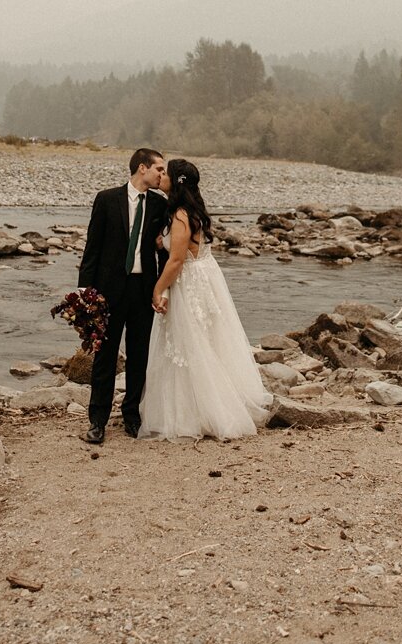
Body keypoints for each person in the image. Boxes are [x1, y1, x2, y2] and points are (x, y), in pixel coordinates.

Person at [140, 159, 273, 443]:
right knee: (208, 341)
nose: (161, 176)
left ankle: (197, 413)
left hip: (188, 283)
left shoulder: (179, 215)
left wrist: (157, 289)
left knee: (189, 345)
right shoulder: (192, 210)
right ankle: (212, 406)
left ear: (176, 181)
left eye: (166, 173)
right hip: (206, 279)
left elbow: (176, 261)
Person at [77, 145, 171, 445]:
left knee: (139, 355)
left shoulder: (159, 205)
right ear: (142, 167)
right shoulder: (106, 199)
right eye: (159, 168)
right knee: (105, 356)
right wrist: (84, 290)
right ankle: (98, 421)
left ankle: (132, 415)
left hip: (143, 290)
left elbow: (165, 249)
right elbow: (92, 247)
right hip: (109, 290)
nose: (162, 175)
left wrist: (162, 288)